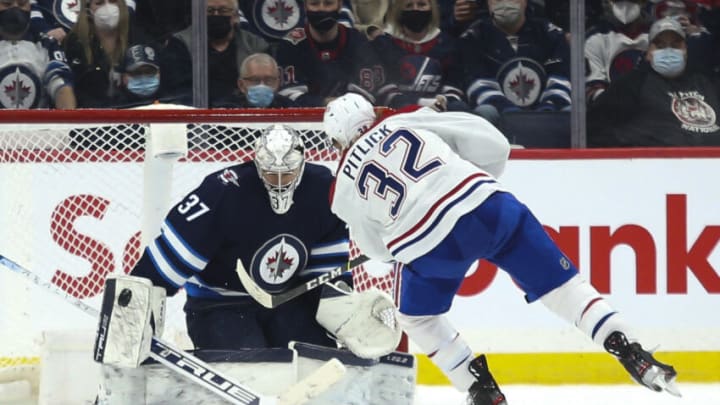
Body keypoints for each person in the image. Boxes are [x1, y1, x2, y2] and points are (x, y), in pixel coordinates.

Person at [322, 93, 680, 404]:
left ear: (337, 142)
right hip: (488, 205)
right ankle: (628, 347)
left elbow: (378, 250)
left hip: (426, 245)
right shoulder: (410, 118)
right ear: (372, 114)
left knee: (416, 318)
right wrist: (472, 179)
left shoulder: (341, 190)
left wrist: (406, 239)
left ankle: (478, 387)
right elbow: (494, 145)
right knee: (562, 288)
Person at [127, 124, 354, 351]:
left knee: (316, 359)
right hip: (219, 303)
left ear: (302, 165)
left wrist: (345, 319)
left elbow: (326, 275)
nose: (279, 182)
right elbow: (165, 264)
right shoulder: (222, 192)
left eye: (287, 174)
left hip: (287, 302)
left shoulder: (323, 189)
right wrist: (130, 319)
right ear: (257, 164)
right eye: (270, 174)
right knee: (249, 368)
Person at [587, 17, 720, 146]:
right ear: (648, 53)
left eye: (675, 45)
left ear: (686, 50)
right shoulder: (630, 85)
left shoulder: (706, 84)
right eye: (660, 46)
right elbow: (595, 129)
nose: (668, 51)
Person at [458, 0, 571, 125]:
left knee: (570, 112)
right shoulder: (473, 37)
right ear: (488, 3)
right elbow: (477, 83)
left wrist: (548, 108)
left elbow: (561, 78)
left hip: (547, 113)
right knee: (485, 111)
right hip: (500, 114)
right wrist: (512, 113)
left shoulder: (550, 34)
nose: (505, 3)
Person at [275, 0, 385, 106]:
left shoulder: (358, 42)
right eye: (314, 3)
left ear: (340, 5)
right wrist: (325, 102)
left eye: (328, 3)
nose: (321, 9)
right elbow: (287, 99)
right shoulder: (290, 46)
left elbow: (365, 98)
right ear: (305, 6)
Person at [160, 0, 269, 106]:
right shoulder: (180, 43)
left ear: (235, 16)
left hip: (243, 112)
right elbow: (177, 90)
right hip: (196, 113)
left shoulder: (255, 45)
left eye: (223, 10)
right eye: (210, 11)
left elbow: (265, 85)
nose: (216, 15)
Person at [372, 0, 469, 111]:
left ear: (432, 8)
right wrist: (420, 103)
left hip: (440, 113)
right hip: (399, 115)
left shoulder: (447, 44)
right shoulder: (384, 44)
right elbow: (384, 90)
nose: (416, 9)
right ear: (399, 10)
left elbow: (453, 84)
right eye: (409, 5)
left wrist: (444, 100)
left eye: (422, 4)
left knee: (461, 108)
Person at [63, 0, 148, 107]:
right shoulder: (74, 43)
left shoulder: (137, 37)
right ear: (87, 9)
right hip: (92, 115)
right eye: (99, 3)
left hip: (135, 109)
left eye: (113, 1)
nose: (108, 7)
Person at [0, 0, 76, 109]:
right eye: (7, 4)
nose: (15, 9)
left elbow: (61, 87)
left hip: (39, 124)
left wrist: (68, 123)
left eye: (22, 4)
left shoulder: (47, 44)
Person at [211, 52, 300, 108]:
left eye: (269, 80)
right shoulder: (224, 111)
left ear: (278, 83)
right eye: (255, 80)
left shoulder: (289, 109)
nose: (262, 85)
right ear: (241, 85)